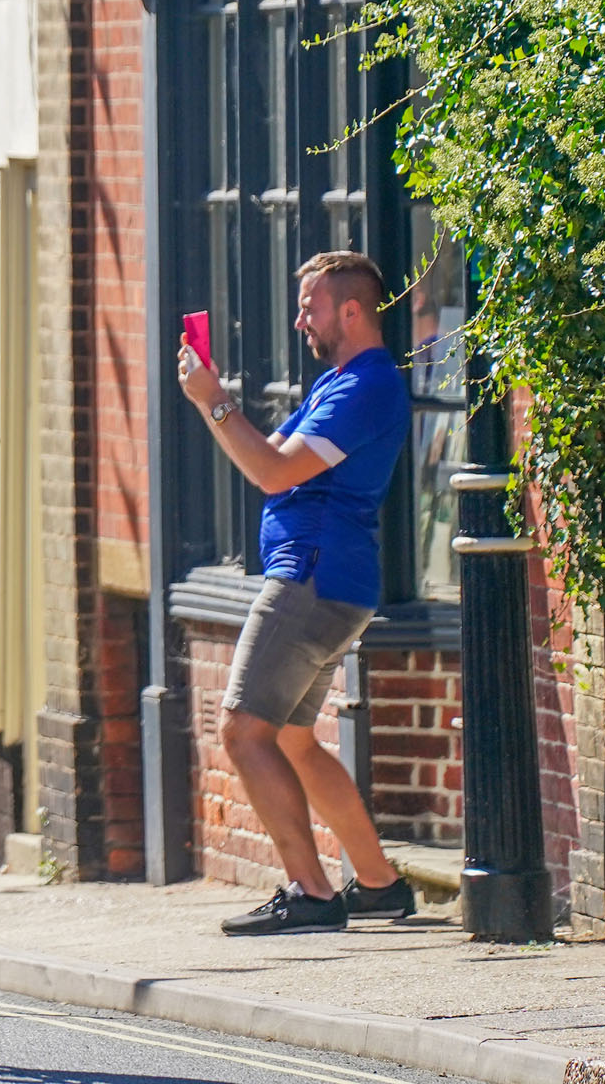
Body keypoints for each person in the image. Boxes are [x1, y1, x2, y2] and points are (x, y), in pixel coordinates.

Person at [175, 249, 416, 936]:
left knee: (242, 730)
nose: (299, 320)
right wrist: (212, 399)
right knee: (293, 738)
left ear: (351, 310)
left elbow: (275, 474)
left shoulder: (365, 387)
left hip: (311, 578)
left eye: (310, 307)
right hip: (331, 578)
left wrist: (213, 399)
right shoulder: (337, 383)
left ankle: (311, 894)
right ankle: (380, 884)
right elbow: (263, 456)